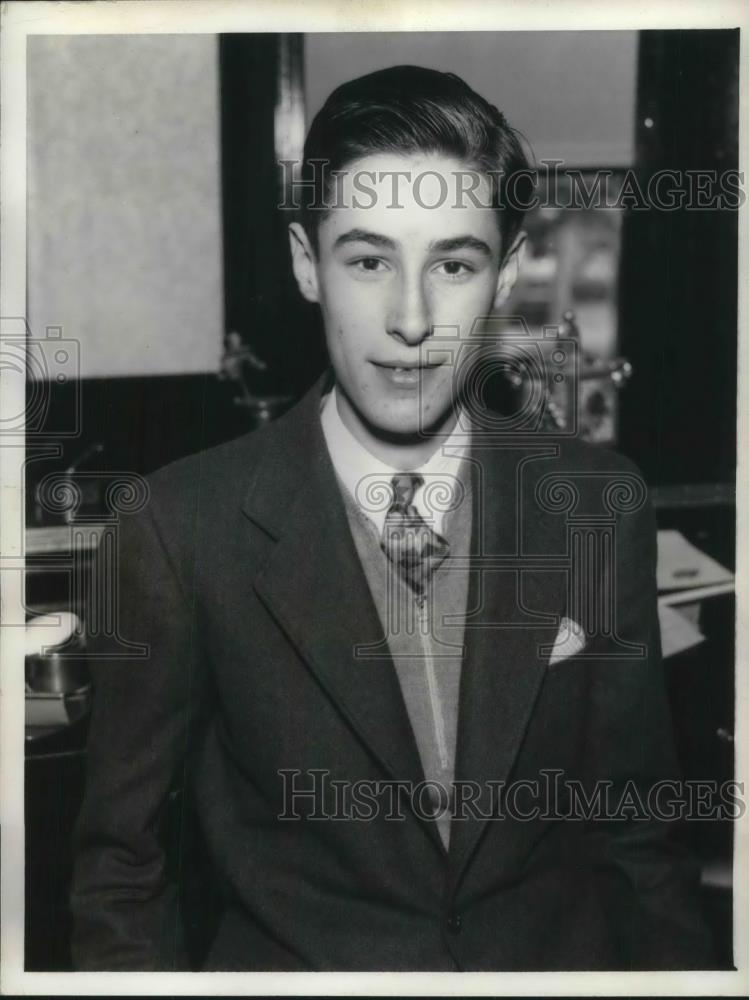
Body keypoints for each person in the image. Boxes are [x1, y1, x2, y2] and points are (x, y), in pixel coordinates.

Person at [70, 65, 716, 971]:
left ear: (507, 275)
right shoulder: (182, 529)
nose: (410, 319)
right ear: (307, 266)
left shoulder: (595, 506)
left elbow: (641, 847)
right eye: (368, 260)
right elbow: (123, 874)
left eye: (452, 264)